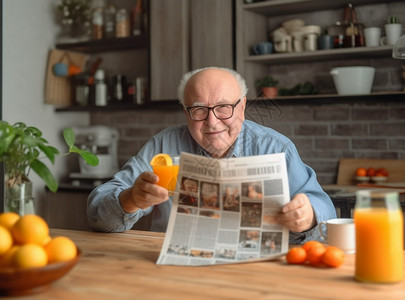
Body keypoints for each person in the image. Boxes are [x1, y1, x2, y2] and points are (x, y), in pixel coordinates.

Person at [87, 66, 336, 244]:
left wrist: (309, 216)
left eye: (224, 108)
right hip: (174, 272)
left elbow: (326, 212)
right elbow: (97, 215)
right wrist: (130, 198)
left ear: (243, 107)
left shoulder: (275, 147)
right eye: (199, 110)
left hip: (259, 273)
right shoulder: (162, 145)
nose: (212, 122)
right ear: (185, 112)